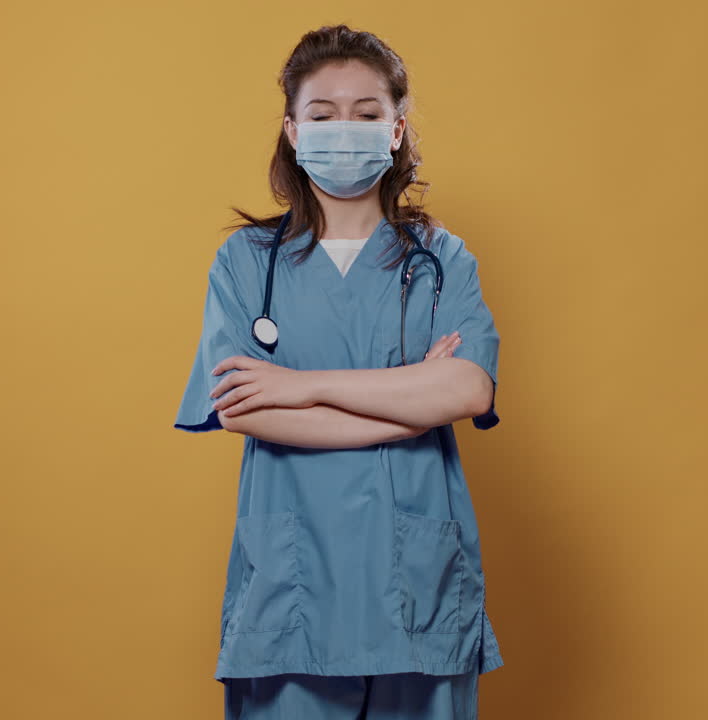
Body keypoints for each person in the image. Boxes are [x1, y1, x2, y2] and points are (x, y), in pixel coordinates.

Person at [174, 24, 504, 720]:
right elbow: (240, 407)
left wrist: (301, 385)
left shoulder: (443, 260)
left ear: (396, 131)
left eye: (367, 113)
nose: (343, 130)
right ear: (294, 132)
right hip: (293, 591)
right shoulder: (245, 263)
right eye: (323, 115)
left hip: (415, 585)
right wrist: (412, 396)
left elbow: (469, 389)